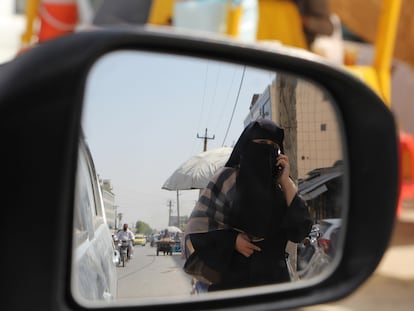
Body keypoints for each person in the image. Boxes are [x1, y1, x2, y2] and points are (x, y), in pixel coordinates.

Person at [183, 119, 312, 291]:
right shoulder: (228, 179)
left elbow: (300, 231)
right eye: (262, 143)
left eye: (274, 146)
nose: (268, 149)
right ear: (247, 144)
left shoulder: (282, 187)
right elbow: (198, 231)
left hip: (275, 285)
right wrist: (232, 241)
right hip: (233, 285)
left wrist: (286, 182)